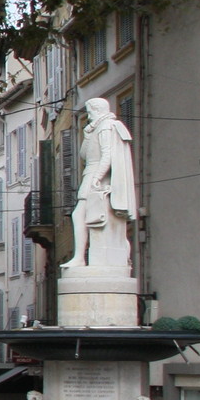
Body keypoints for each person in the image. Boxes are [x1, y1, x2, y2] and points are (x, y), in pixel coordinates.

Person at [69, 97, 136, 272]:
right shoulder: (97, 128)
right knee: (86, 217)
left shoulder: (106, 126)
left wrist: (97, 177)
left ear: (97, 110)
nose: (88, 115)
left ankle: (79, 258)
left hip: (95, 174)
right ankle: (81, 258)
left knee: (79, 215)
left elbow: (107, 155)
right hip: (91, 172)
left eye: (90, 111)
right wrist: (87, 134)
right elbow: (84, 154)